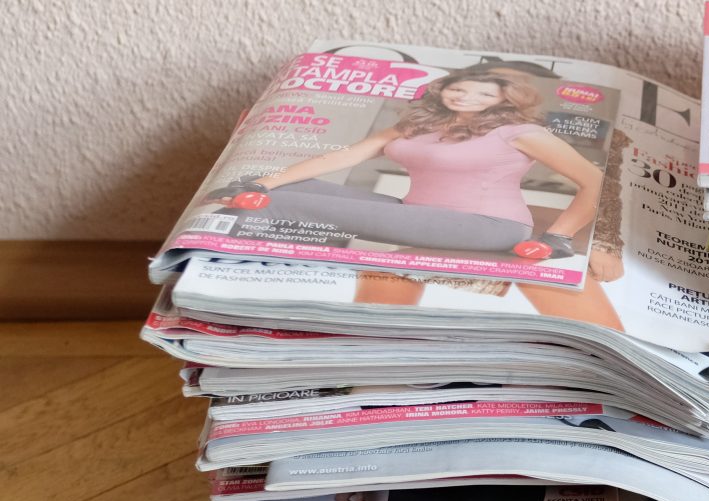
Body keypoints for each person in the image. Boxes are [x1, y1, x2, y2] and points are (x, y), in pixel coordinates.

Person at [349, 61, 628, 330]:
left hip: (534, 226)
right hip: (461, 226)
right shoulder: (443, 124)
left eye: (500, 88)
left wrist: (604, 244)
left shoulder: (539, 128)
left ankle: (604, 344)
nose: (483, 93)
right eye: (473, 86)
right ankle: (371, 341)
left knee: (542, 268)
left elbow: (604, 184)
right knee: (387, 269)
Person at [215, 70, 602, 257]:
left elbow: (594, 180)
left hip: (489, 226)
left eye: (483, 94)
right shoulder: (420, 124)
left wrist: (558, 236)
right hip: (415, 209)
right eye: (458, 88)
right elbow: (350, 154)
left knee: (274, 204)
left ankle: (223, 265)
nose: (465, 97)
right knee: (276, 186)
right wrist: (265, 181)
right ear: (443, 90)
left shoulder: (519, 132)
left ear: (504, 99)